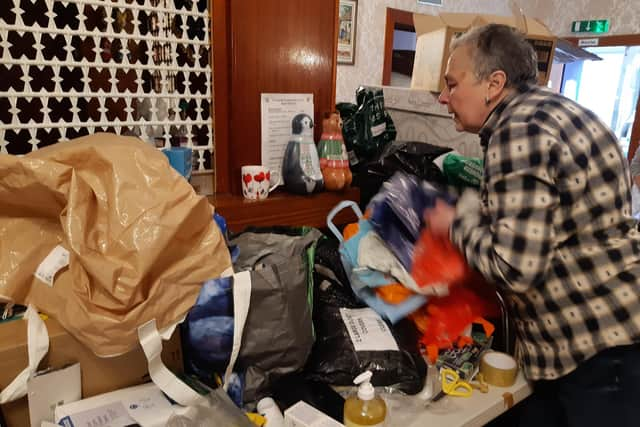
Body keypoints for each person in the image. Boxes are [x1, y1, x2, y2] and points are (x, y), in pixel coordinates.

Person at [423, 23, 640, 427]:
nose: (444, 97)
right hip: (613, 335)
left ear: (494, 83)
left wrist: (455, 223)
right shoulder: (561, 112)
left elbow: (514, 268)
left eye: (453, 84)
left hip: (598, 355)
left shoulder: (518, 131)